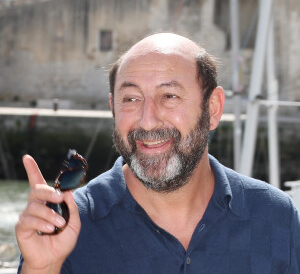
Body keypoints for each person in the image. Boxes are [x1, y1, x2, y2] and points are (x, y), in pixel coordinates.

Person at [16, 33, 300, 274]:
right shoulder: (66, 228)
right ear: (113, 107)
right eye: (131, 99)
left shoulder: (275, 216)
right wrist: (42, 269)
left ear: (213, 108)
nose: (148, 120)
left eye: (170, 96)